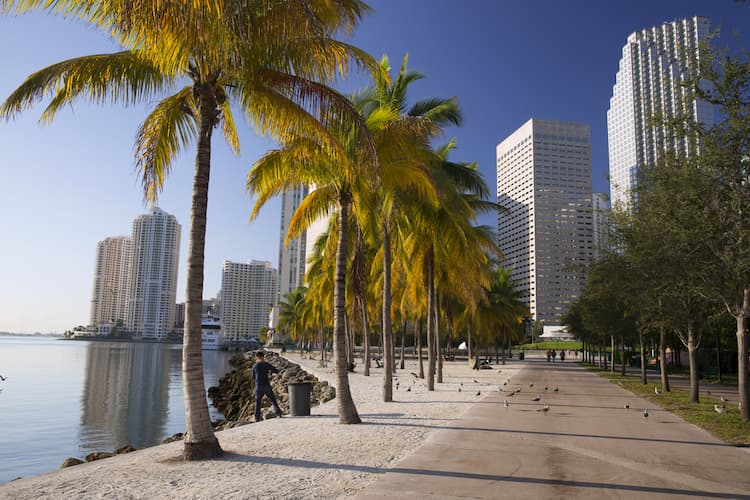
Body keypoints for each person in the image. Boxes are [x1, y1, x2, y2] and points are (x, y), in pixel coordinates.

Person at [253, 351, 282, 421]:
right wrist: (270, 372)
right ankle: (278, 413)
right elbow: (276, 370)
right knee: (272, 399)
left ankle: (257, 418)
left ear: (257, 357)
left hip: (258, 385)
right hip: (266, 385)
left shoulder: (255, 366)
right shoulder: (266, 364)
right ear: (263, 357)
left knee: (258, 402)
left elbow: (254, 376)